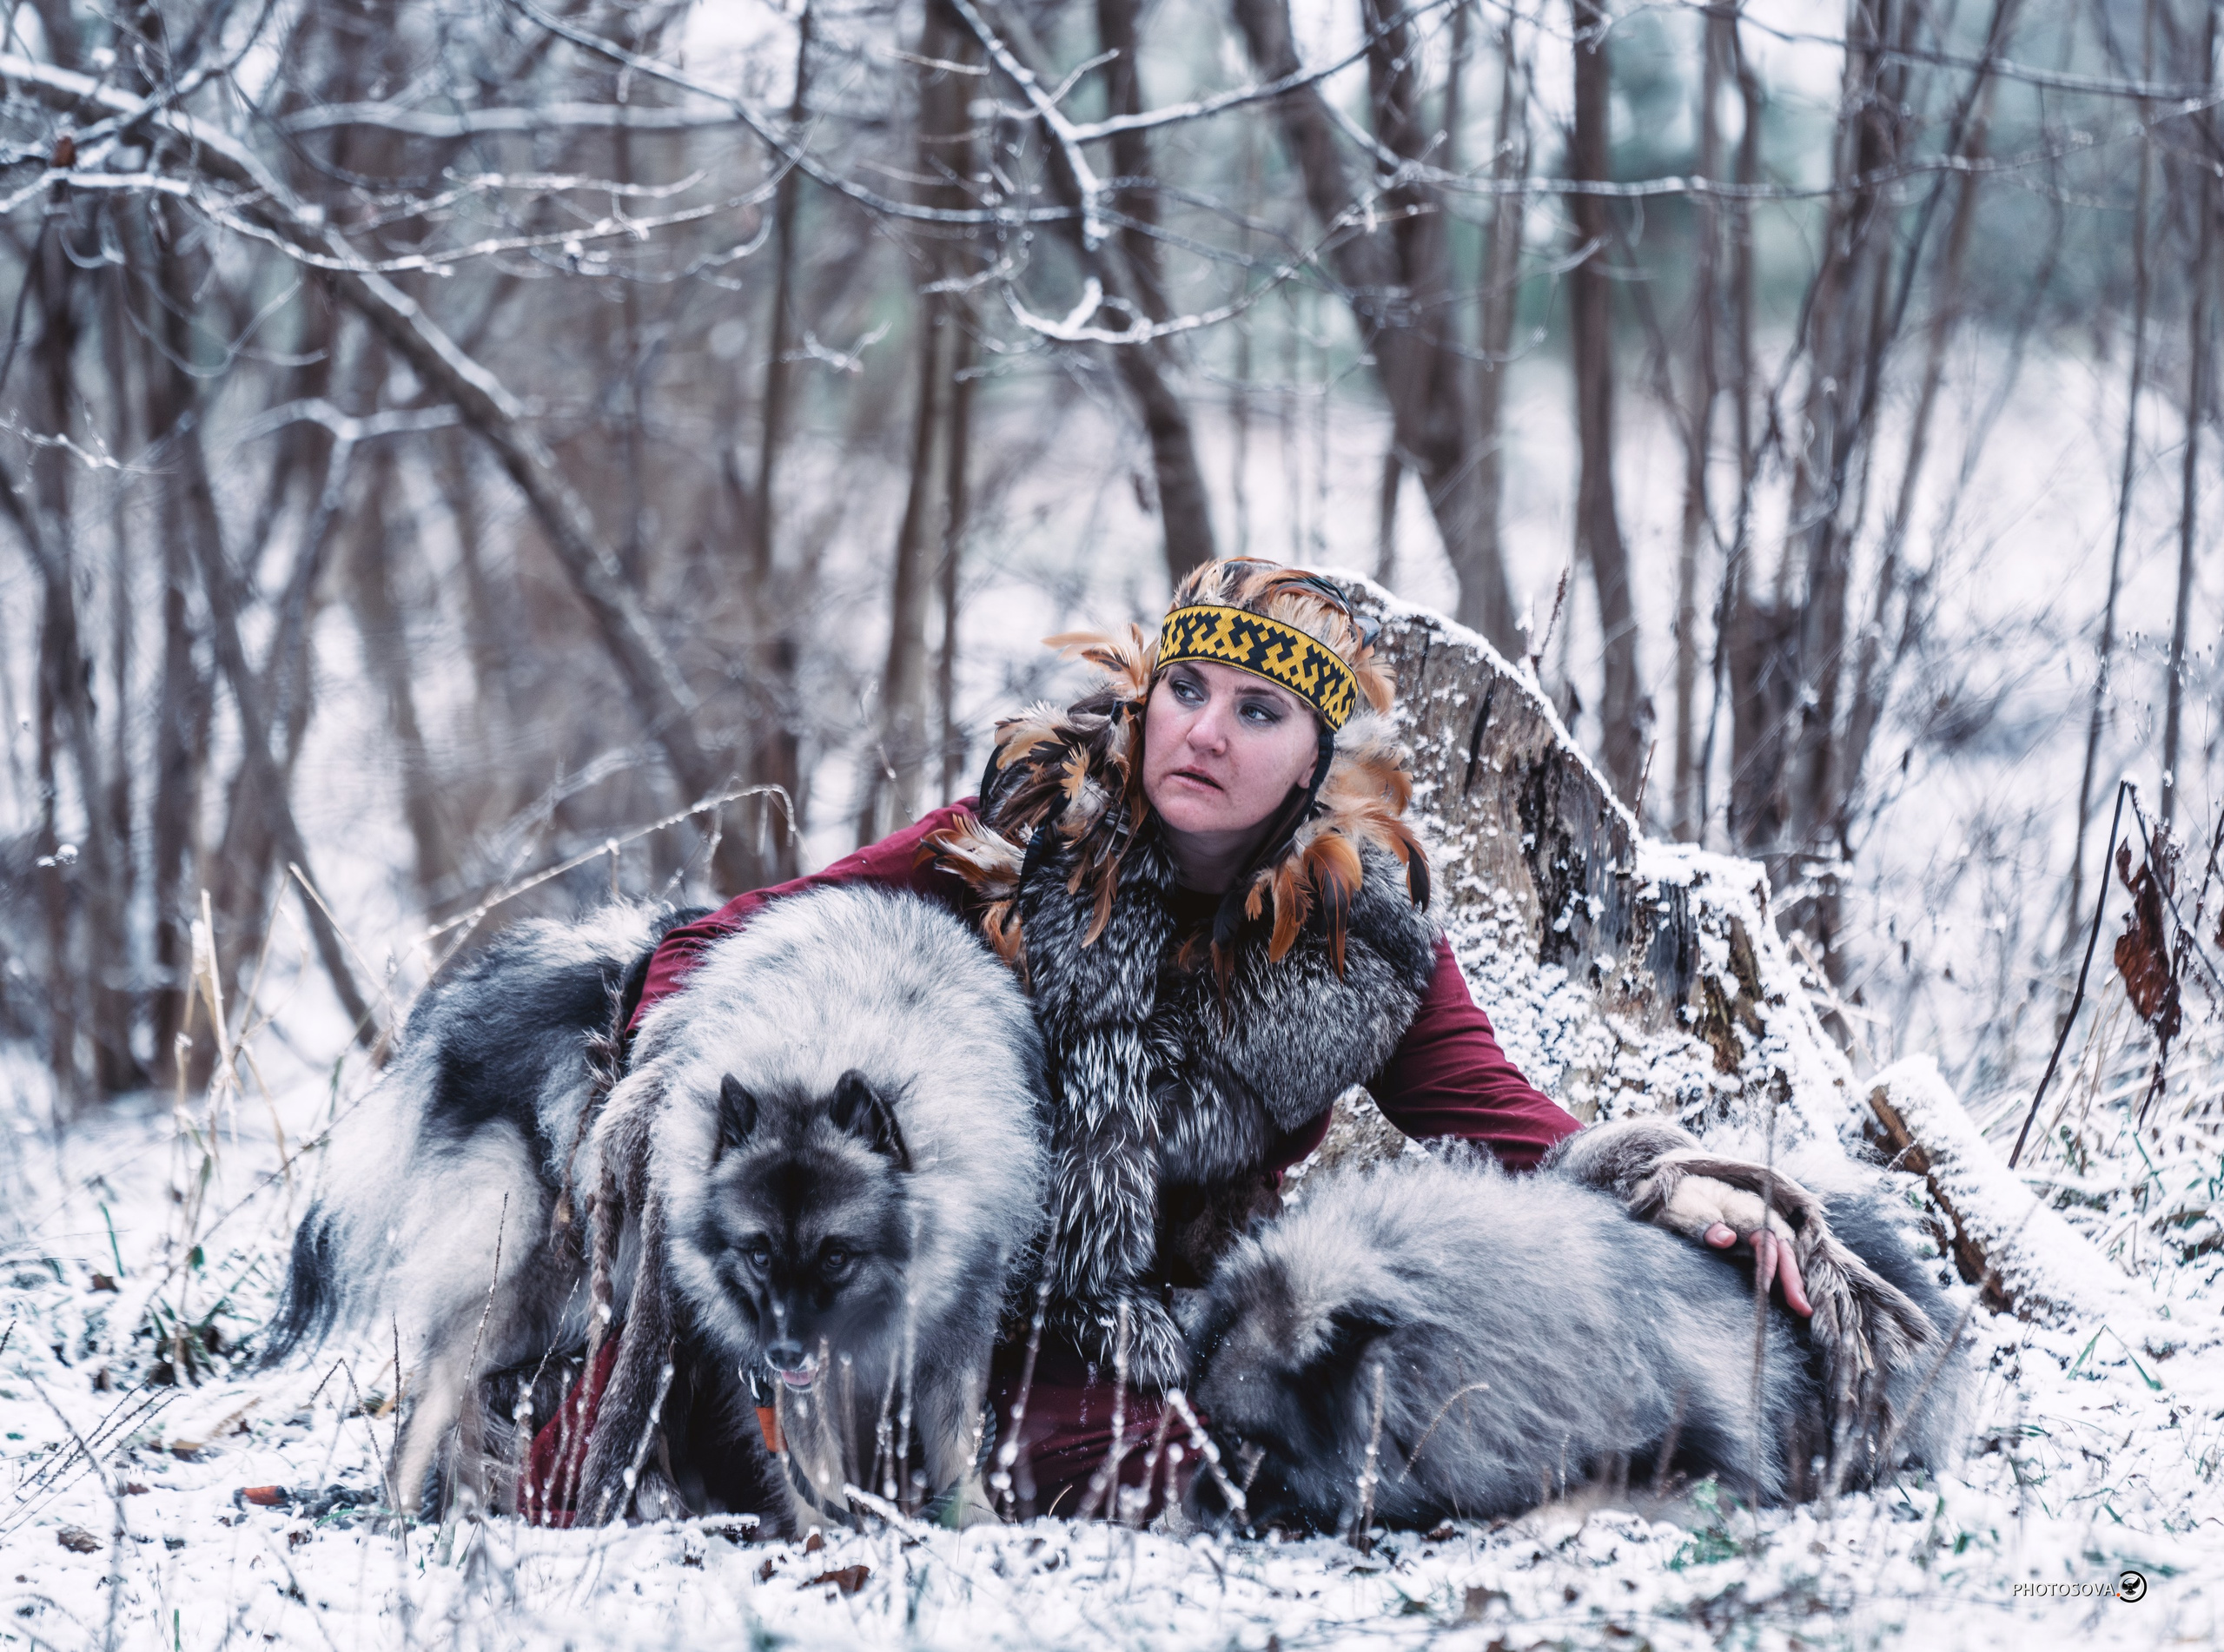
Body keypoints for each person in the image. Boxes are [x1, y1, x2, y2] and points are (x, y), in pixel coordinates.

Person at [545, 557, 1808, 1520]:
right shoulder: (1010, 838)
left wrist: (1672, 1176)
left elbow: (1498, 1115)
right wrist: (696, 1088)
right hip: (916, 1301)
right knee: (562, 1479)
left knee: (1190, 1469)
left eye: (1259, 711)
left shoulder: (1362, 945)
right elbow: (711, 949)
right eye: (1186, 690)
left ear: (1317, 756)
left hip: (1155, 1335)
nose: (1202, 731)